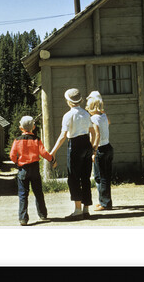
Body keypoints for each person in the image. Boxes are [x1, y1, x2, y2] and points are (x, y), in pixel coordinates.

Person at [50, 88, 96, 221]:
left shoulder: (68, 116)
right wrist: (92, 148)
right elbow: (92, 132)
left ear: (69, 102)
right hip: (86, 144)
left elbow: (63, 136)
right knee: (85, 177)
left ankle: (77, 210)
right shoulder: (86, 114)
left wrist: (53, 152)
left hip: (75, 145)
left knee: (74, 178)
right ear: (80, 100)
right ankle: (86, 209)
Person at [9, 116, 56, 226]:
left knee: (22, 194)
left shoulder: (17, 140)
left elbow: (12, 155)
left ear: (21, 128)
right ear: (33, 127)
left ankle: (23, 218)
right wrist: (52, 160)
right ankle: (43, 215)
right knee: (38, 192)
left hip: (23, 169)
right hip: (35, 168)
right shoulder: (36, 140)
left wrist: (17, 162)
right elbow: (44, 153)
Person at [85, 91, 114, 211]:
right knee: (105, 176)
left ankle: (105, 203)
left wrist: (93, 151)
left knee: (100, 177)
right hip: (108, 147)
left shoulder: (93, 119)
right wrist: (102, 112)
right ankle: (105, 200)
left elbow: (96, 135)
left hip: (100, 149)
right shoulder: (103, 116)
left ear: (91, 107)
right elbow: (109, 123)